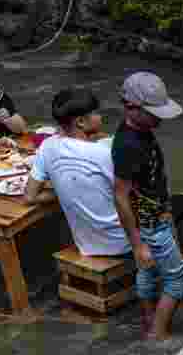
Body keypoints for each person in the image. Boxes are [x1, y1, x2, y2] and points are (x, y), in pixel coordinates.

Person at [112, 72, 183, 340]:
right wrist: (137, 244)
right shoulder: (128, 145)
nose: (158, 118)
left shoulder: (138, 131)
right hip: (150, 223)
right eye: (152, 112)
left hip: (153, 216)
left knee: (147, 272)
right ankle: (157, 333)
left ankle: (148, 319)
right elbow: (120, 195)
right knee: (178, 277)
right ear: (131, 108)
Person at [24, 88, 130, 258]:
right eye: (96, 113)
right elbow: (130, 195)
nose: (100, 117)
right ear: (80, 122)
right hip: (124, 244)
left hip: (87, 245)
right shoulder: (104, 153)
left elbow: (29, 197)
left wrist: (63, 190)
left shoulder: (47, 146)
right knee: (182, 202)